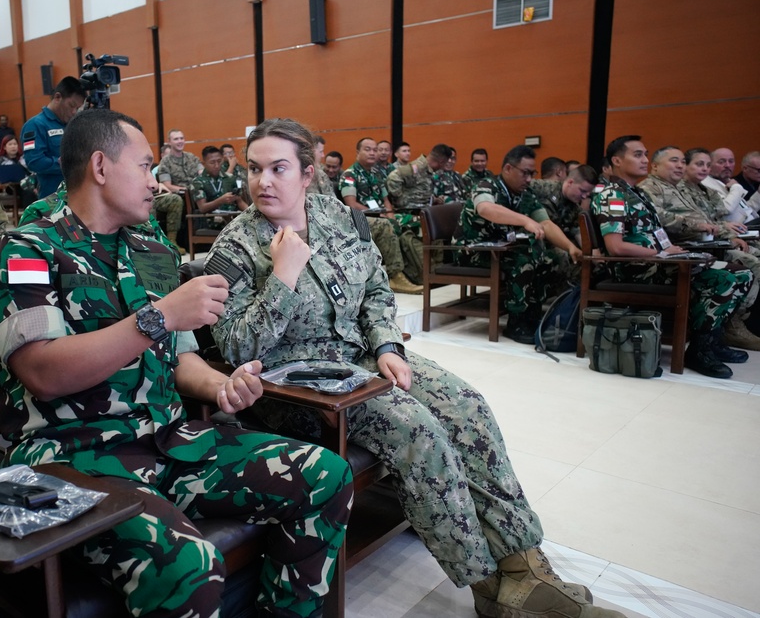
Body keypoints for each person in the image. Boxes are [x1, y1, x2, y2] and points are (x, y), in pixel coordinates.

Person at [207, 117, 623, 618]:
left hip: (361, 355)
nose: (263, 182)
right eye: (253, 169)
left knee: (466, 406)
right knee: (417, 431)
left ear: (308, 173)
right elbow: (233, 345)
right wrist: (283, 277)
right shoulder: (235, 245)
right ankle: (490, 589)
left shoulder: (338, 217)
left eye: (278, 168)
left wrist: (387, 347)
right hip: (296, 384)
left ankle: (526, 565)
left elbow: (377, 292)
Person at [0, 108, 353, 618]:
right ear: (101, 166)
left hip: (164, 441)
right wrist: (158, 317)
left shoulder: (151, 249)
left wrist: (221, 387)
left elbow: (179, 357)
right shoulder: (26, 250)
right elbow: (42, 373)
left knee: (326, 475)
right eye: (146, 166)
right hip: (71, 459)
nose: (156, 183)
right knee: (189, 565)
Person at [591, 136, 753, 379]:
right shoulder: (612, 195)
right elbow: (616, 247)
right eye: (637, 155)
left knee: (741, 272)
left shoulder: (637, 193)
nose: (645, 160)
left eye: (646, 154)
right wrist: (660, 253)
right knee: (726, 277)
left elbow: (656, 235)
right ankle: (700, 349)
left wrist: (673, 251)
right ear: (616, 160)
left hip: (660, 262)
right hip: (638, 268)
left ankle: (707, 341)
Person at [454, 145, 580, 342]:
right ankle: (517, 323)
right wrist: (525, 220)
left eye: (532, 173)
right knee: (523, 261)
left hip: (502, 250)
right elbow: (486, 209)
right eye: (525, 173)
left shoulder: (525, 194)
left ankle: (533, 315)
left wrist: (570, 247)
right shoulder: (487, 186)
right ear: (508, 169)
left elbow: (546, 223)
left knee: (550, 258)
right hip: (472, 250)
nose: (529, 179)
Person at [671, 147, 760, 350]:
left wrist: (728, 231)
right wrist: (728, 234)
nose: (704, 169)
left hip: (714, 240)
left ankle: (733, 323)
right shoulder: (679, 189)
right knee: (750, 264)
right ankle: (732, 324)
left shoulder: (705, 188)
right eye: (699, 164)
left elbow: (720, 215)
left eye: (707, 165)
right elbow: (698, 223)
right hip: (695, 247)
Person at [341, 137, 423, 293]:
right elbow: (351, 204)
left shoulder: (377, 174)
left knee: (413, 222)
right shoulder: (349, 175)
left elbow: (386, 200)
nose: (372, 153)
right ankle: (395, 275)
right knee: (386, 225)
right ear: (358, 152)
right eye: (367, 149)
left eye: (374, 149)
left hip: (382, 215)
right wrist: (381, 216)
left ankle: (418, 272)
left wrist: (390, 214)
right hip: (361, 219)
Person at [20, 76, 87, 198]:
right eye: (71, 105)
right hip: (53, 196)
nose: (73, 112)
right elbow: (34, 162)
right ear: (57, 97)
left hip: (79, 193)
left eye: (77, 108)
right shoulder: (35, 125)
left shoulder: (74, 124)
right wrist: (68, 165)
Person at [156, 128, 202, 194]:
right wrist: (187, 190)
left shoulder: (192, 157)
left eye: (181, 138)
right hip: (180, 194)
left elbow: (202, 173)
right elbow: (167, 186)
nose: (180, 141)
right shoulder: (165, 162)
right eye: (176, 139)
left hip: (198, 192)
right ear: (169, 142)